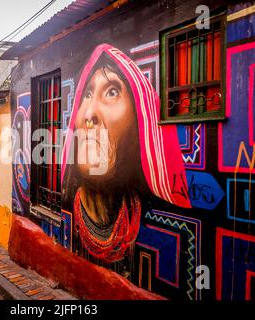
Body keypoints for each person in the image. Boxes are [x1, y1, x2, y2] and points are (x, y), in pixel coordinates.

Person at [61, 44, 191, 270]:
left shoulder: (166, 223)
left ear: (138, 120)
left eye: (112, 92)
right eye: (87, 94)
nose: (90, 114)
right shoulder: (61, 201)